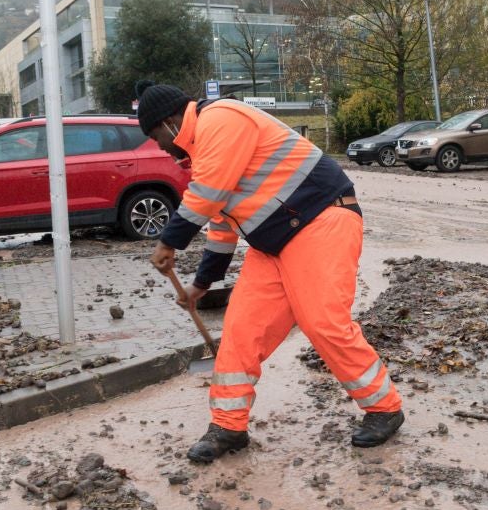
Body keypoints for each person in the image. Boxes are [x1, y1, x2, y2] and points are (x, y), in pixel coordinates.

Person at [137, 84, 405, 464]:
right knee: (240, 332)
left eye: (155, 137)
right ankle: (228, 426)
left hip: (321, 220)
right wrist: (201, 284)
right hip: (272, 245)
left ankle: (384, 408)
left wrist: (169, 242)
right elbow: (222, 225)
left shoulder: (220, 119)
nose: (160, 146)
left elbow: (208, 194)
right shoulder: (204, 149)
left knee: (323, 322)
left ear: (169, 122)